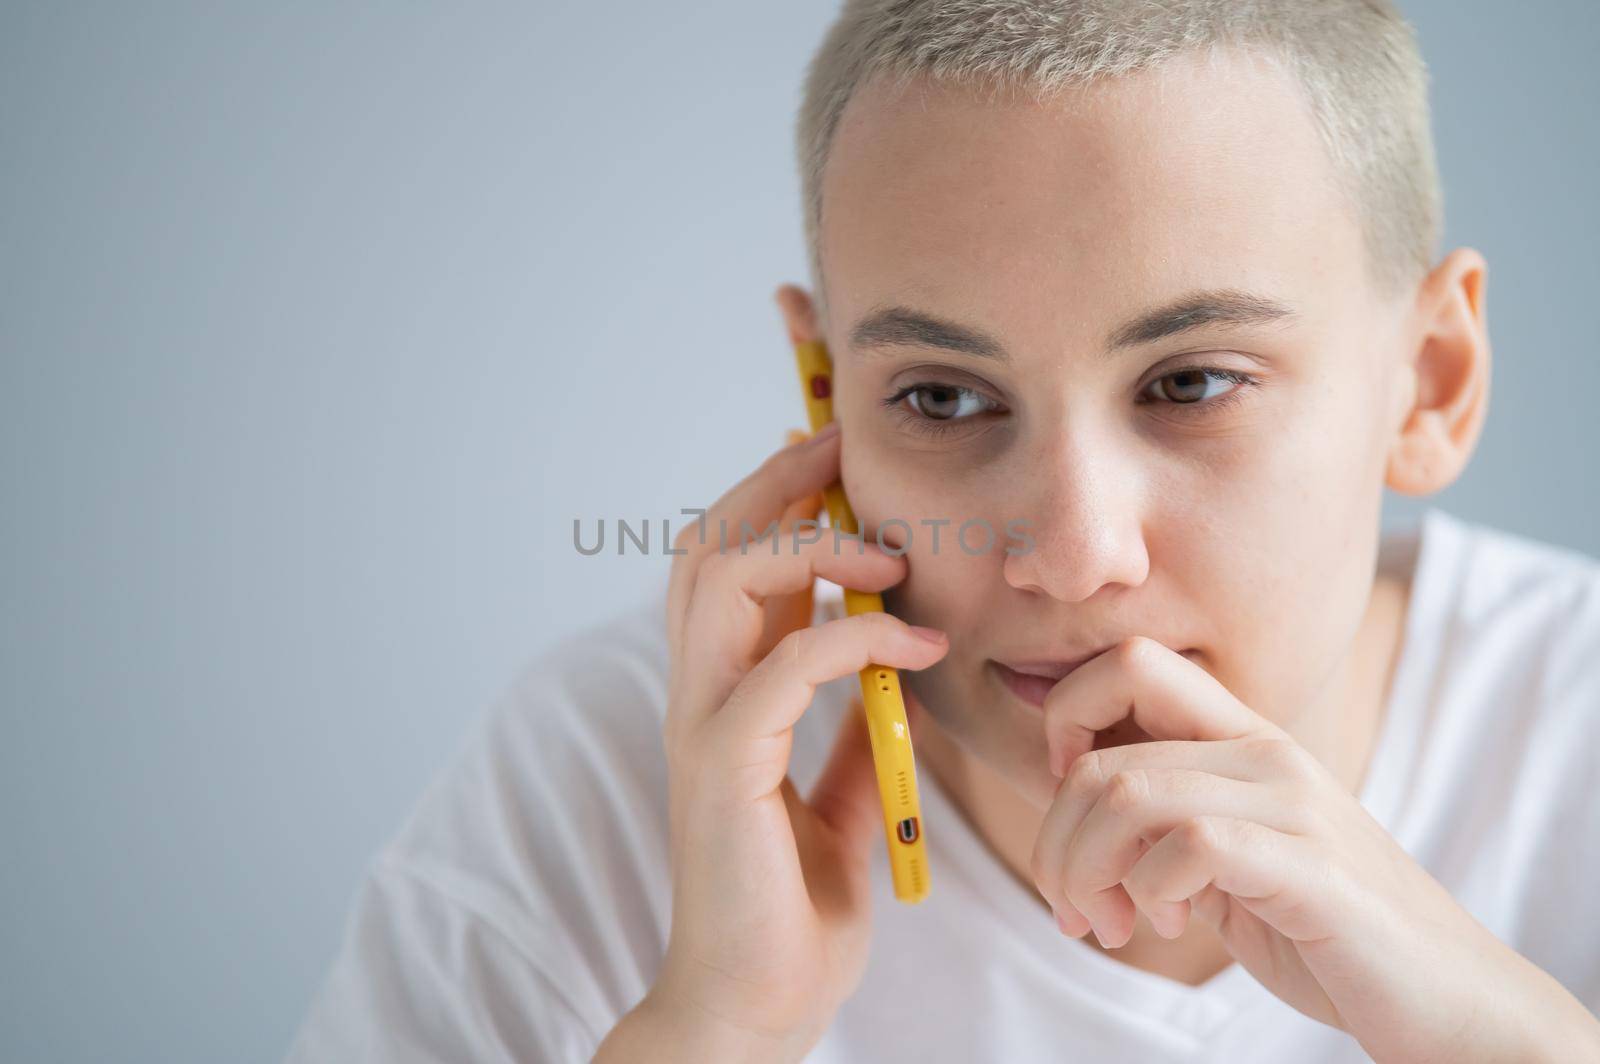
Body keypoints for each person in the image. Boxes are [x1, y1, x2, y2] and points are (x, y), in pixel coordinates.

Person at [287, 2, 1600, 1060]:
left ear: (1430, 380)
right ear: (826, 395)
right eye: (943, 398)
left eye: (1192, 383)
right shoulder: (606, 790)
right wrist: (717, 1031)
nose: (1074, 554)